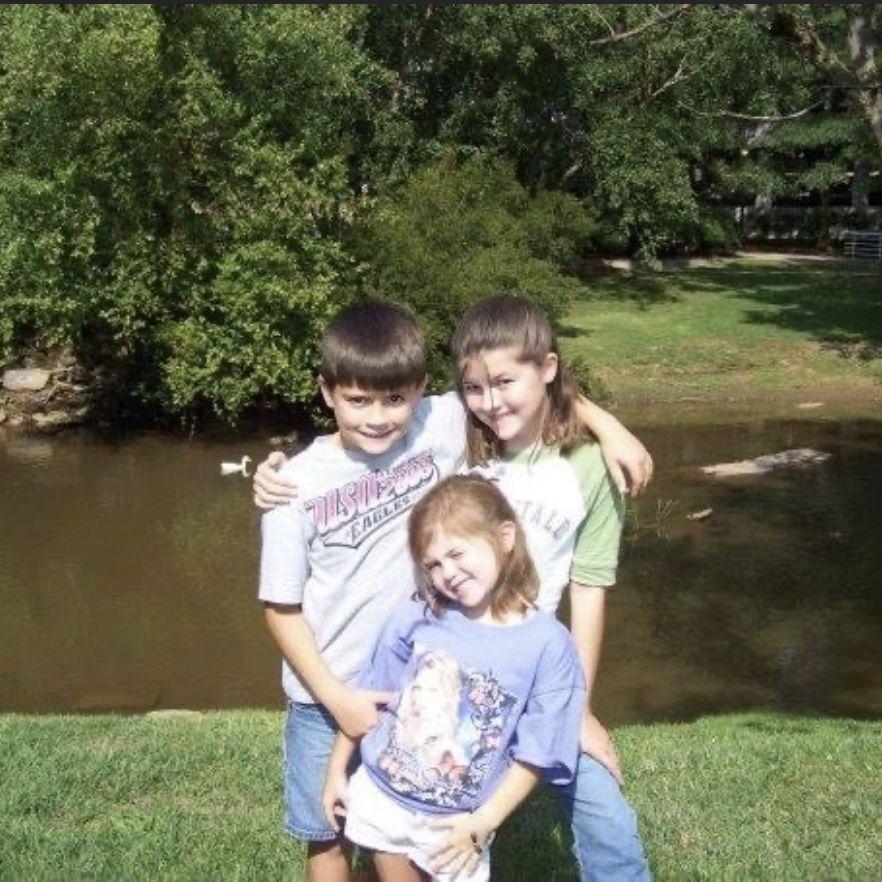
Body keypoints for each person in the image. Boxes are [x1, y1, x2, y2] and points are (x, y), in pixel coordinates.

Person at [257, 296, 652, 882]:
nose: (378, 415)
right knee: (347, 827)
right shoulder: (316, 480)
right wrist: (274, 474)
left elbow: (518, 383)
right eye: (358, 400)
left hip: (477, 669)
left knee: (431, 816)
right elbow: (279, 604)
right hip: (376, 679)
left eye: (393, 399)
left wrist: (608, 426)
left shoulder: (471, 431)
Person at [322, 475, 586, 882]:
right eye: (433, 564)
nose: (448, 573)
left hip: (459, 822)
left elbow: (540, 749)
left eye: (457, 553)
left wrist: (486, 819)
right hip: (382, 797)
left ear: (504, 537)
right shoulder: (420, 612)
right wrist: (337, 771)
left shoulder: (548, 644)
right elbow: (370, 696)